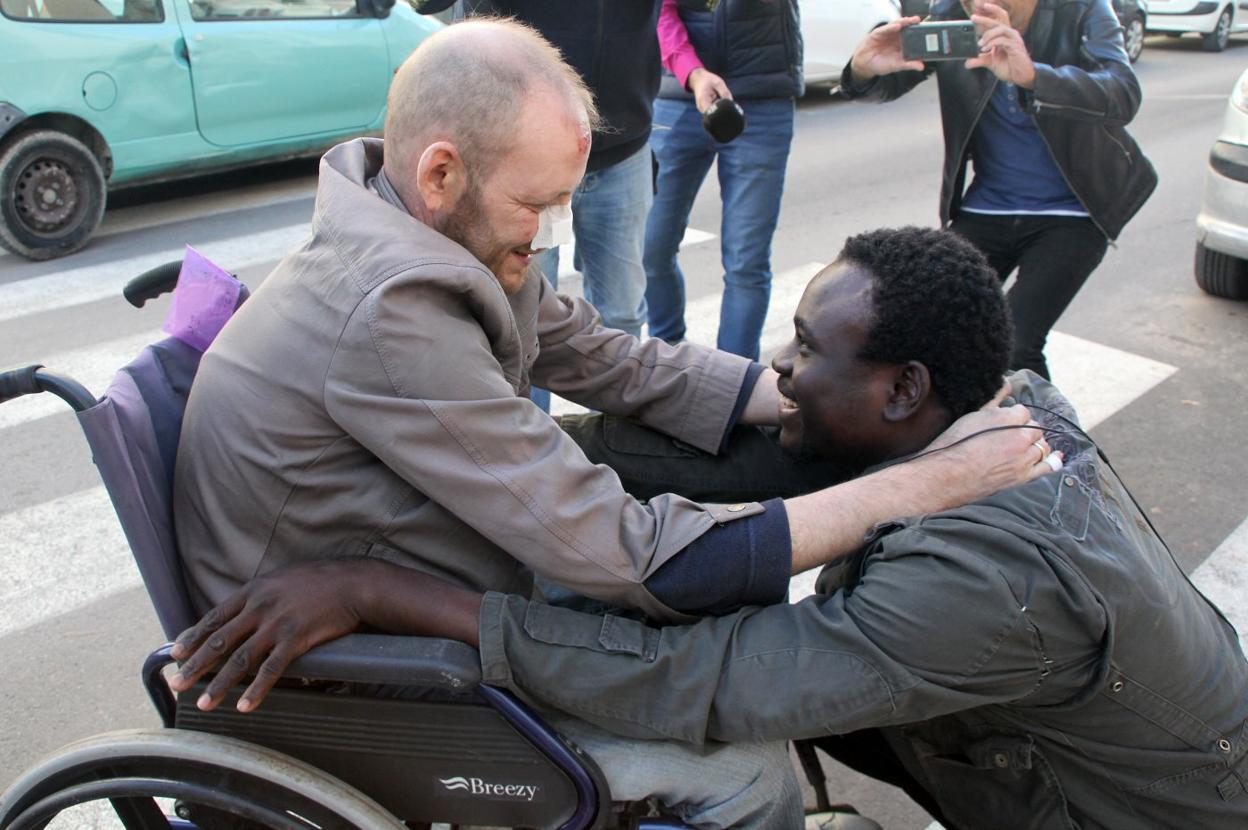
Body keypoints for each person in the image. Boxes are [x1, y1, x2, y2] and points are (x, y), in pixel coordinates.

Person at [172, 24, 1050, 827]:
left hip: (424, 573)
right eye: (537, 206)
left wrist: (798, 394)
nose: (551, 233)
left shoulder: (429, 226)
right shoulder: (392, 311)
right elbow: (623, 555)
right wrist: (924, 482)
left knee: (697, 614)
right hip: (364, 674)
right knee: (750, 774)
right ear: (442, 172)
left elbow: (613, 360)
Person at [175, 227, 1248, 830]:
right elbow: (699, 443)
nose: (780, 369)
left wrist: (391, 593)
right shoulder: (983, 406)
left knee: (732, 738)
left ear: (901, 389)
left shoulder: (980, 581)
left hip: (1134, 814)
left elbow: (697, 679)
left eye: (805, 349)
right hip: (1048, 740)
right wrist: (495, 455)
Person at [841, 0, 1157, 379]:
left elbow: (1123, 91)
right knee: (927, 326)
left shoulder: (1082, 9)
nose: (977, 3)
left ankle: (1053, 437)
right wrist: (862, 70)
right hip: (987, 207)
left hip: (1074, 210)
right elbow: (889, 81)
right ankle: (957, 432)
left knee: (1015, 345)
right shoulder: (950, 16)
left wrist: (1034, 76)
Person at [416, 0, 661, 343]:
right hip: (514, 153)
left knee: (622, 315)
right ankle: (519, 400)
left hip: (623, 147)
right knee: (519, 320)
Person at [644, 0, 802, 361]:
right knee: (650, 249)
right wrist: (692, 72)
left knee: (746, 261)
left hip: (762, 95)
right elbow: (659, 11)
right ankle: (668, 363)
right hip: (678, 94)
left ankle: (735, 391)